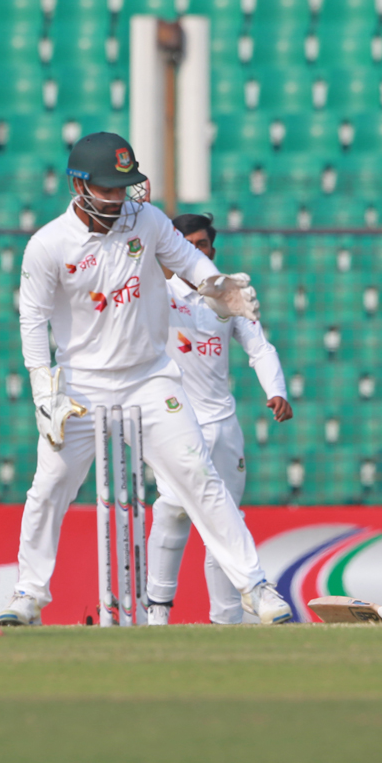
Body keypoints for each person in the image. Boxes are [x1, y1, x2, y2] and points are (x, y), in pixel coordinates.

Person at [0, 132, 292, 626]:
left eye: (123, 187)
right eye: (108, 189)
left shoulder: (148, 221)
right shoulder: (47, 245)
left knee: (199, 477)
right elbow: (32, 320)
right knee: (49, 485)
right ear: (79, 184)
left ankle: (255, 586)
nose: (118, 199)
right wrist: (41, 389)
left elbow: (196, 268)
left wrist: (224, 291)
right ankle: (28, 593)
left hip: (151, 379)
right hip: (80, 385)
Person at [144, 213, 294, 625]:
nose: (196, 251)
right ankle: (156, 614)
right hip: (174, 422)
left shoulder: (228, 295)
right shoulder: (155, 290)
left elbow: (259, 347)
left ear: (212, 249)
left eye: (203, 244)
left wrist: (275, 390)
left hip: (222, 423)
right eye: (186, 244)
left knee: (224, 519)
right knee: (172, 509)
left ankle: (227, 622)